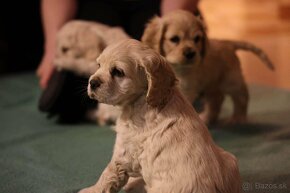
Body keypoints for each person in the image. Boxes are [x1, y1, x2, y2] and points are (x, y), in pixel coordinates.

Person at [36, 0, 200, 89]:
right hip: (95, 4)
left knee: (147, 66)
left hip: (156, 5)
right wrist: (53, 47)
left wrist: (171, 27)